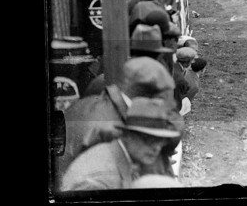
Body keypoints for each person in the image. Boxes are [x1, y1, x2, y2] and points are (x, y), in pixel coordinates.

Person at [58, 57, 178, 186]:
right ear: (146, 96)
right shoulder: (111, 128)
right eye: (159, 100)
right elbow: (109, 176)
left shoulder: (94, 101)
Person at [60, 97, 183, 191]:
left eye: (161, 140)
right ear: (127, 135)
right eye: (149, 139)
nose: (156, 147)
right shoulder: (98, 181)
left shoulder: (125, 156)